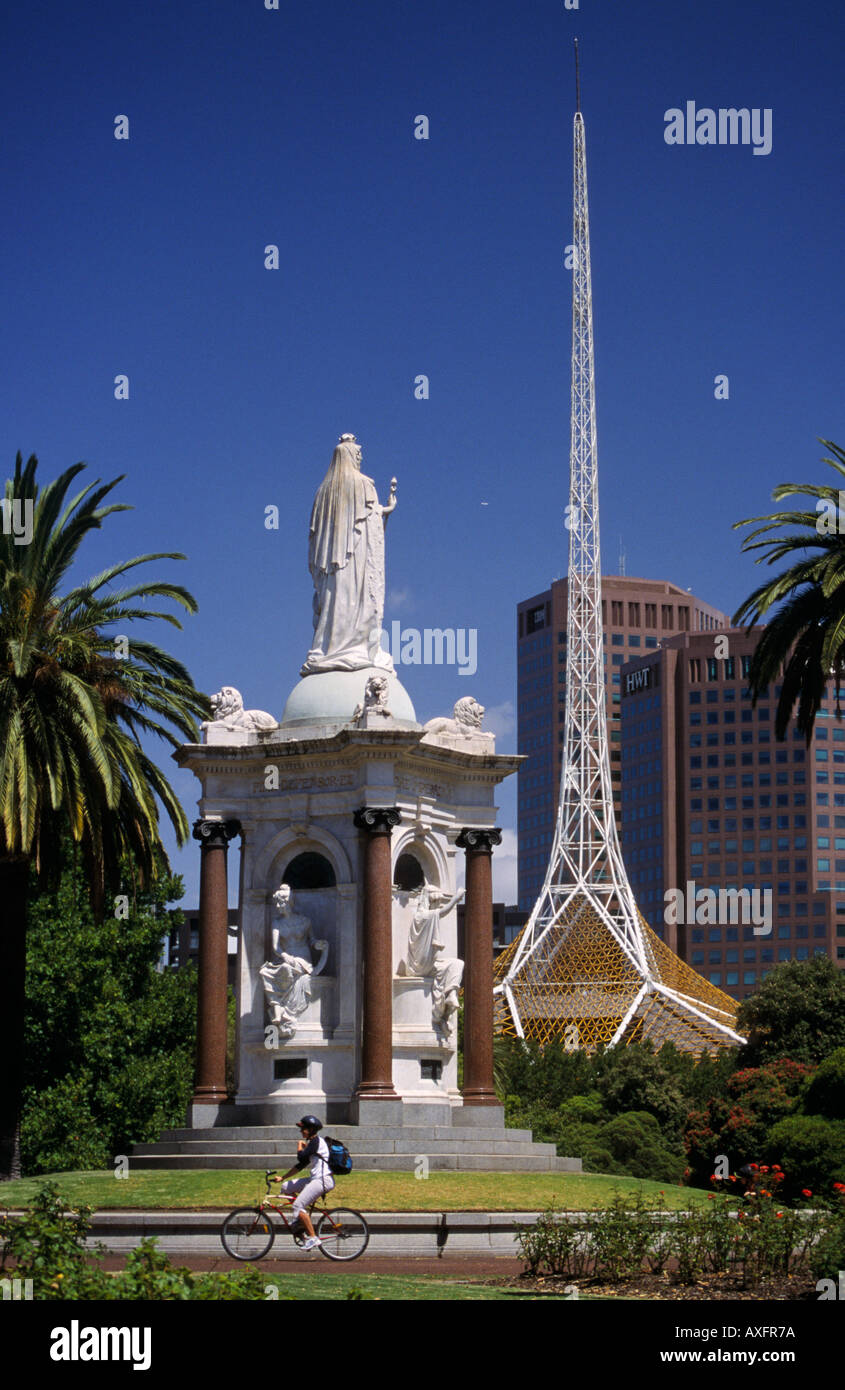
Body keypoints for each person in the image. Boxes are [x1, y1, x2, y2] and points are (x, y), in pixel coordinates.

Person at [301, 434, 397, 675]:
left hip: (328, 566)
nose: (360, 459)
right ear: (352, 456)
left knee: (334, 602)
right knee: (357, 600)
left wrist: (382, 511)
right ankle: (357, 648)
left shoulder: (322, 491)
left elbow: (315, 535)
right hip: (357, 557)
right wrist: (384, 511)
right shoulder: (364, 484)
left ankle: (328, 648)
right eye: (358, 455)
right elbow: (369, 523)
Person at [270, 1115, 334, 1250]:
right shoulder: (313, 1143)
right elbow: (301, 1164)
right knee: (286, 1187)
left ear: (311, 1129)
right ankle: (299, 1222)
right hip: (315, 1179)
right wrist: (283, 1177)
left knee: (298, 1206)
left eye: (303, 1128)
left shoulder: (316, 1141)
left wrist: (300, 1145)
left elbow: (301, 1156)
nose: (301, 1131)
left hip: (322, 1180)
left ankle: (313, 1238)